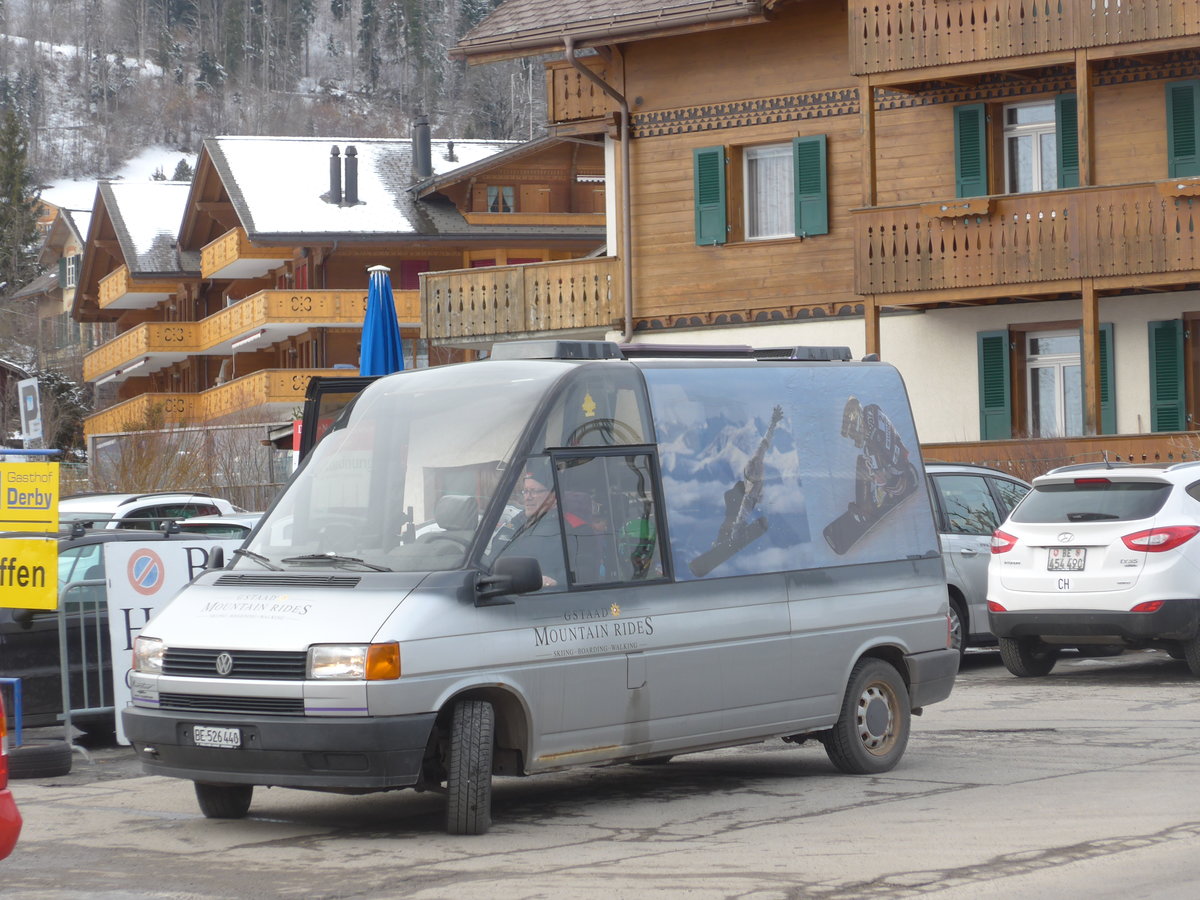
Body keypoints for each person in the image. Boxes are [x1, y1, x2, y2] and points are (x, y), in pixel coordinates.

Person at [489, 467, 591, 589]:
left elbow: (585, 570)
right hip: (504, 589)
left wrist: (554, 580)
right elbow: (493, 557)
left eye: (534, 491)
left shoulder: (575, 528)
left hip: (545, 595)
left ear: (553, 497)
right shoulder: (516, 521)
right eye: (525, 491)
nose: (528, 497)